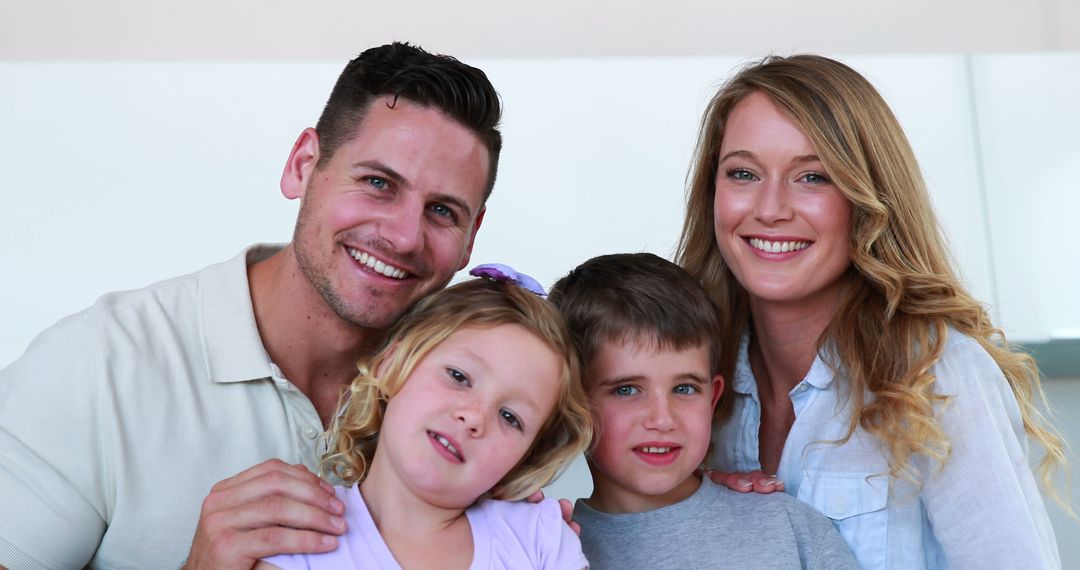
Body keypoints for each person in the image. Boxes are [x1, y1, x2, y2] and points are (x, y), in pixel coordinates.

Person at [0, 42, 503, 569]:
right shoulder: (98, 365)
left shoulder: (491, 403)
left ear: (472, 237)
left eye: (442, 211)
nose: (403, 237)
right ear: (303, 165)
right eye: (378, 183)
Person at [675, 54, 1066, 569]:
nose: (769, 209)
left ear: (868, 199)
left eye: (812, 177)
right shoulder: (687, 383)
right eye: (743, 173)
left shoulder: (938, 375)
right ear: (712, 193)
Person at [259, 268, 593, 569]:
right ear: (391, 365)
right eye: (458, 376)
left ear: (524, 459)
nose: (474, 416)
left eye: (510, 417)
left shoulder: (539, 540)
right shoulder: (297, 539)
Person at [548, 252, 857, 569]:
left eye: (684, 389)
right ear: (571, 404)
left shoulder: (787, 527)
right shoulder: (548, 553)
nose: (663, 419)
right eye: (626, 390)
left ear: (713, 398)